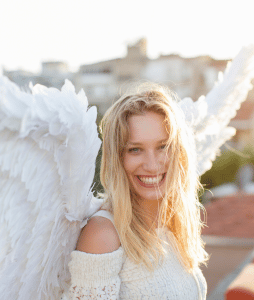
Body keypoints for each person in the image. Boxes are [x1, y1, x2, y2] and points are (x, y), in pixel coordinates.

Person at [61, 84, 210, 299]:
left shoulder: (173, 225)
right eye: (135, 150)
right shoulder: (103, 234)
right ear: (117, 159)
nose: (151, 165)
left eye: (163, 146)